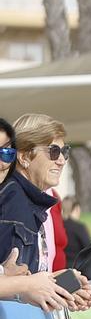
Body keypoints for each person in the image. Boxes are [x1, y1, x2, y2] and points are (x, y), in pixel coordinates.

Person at [0, 113, 67, 272]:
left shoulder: (27, 200)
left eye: (65, 151)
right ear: (24, 157)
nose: (62, 160)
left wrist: (58, 281)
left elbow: (30, 277)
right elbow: (16, 284)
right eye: (53, 151)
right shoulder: (11, 200)